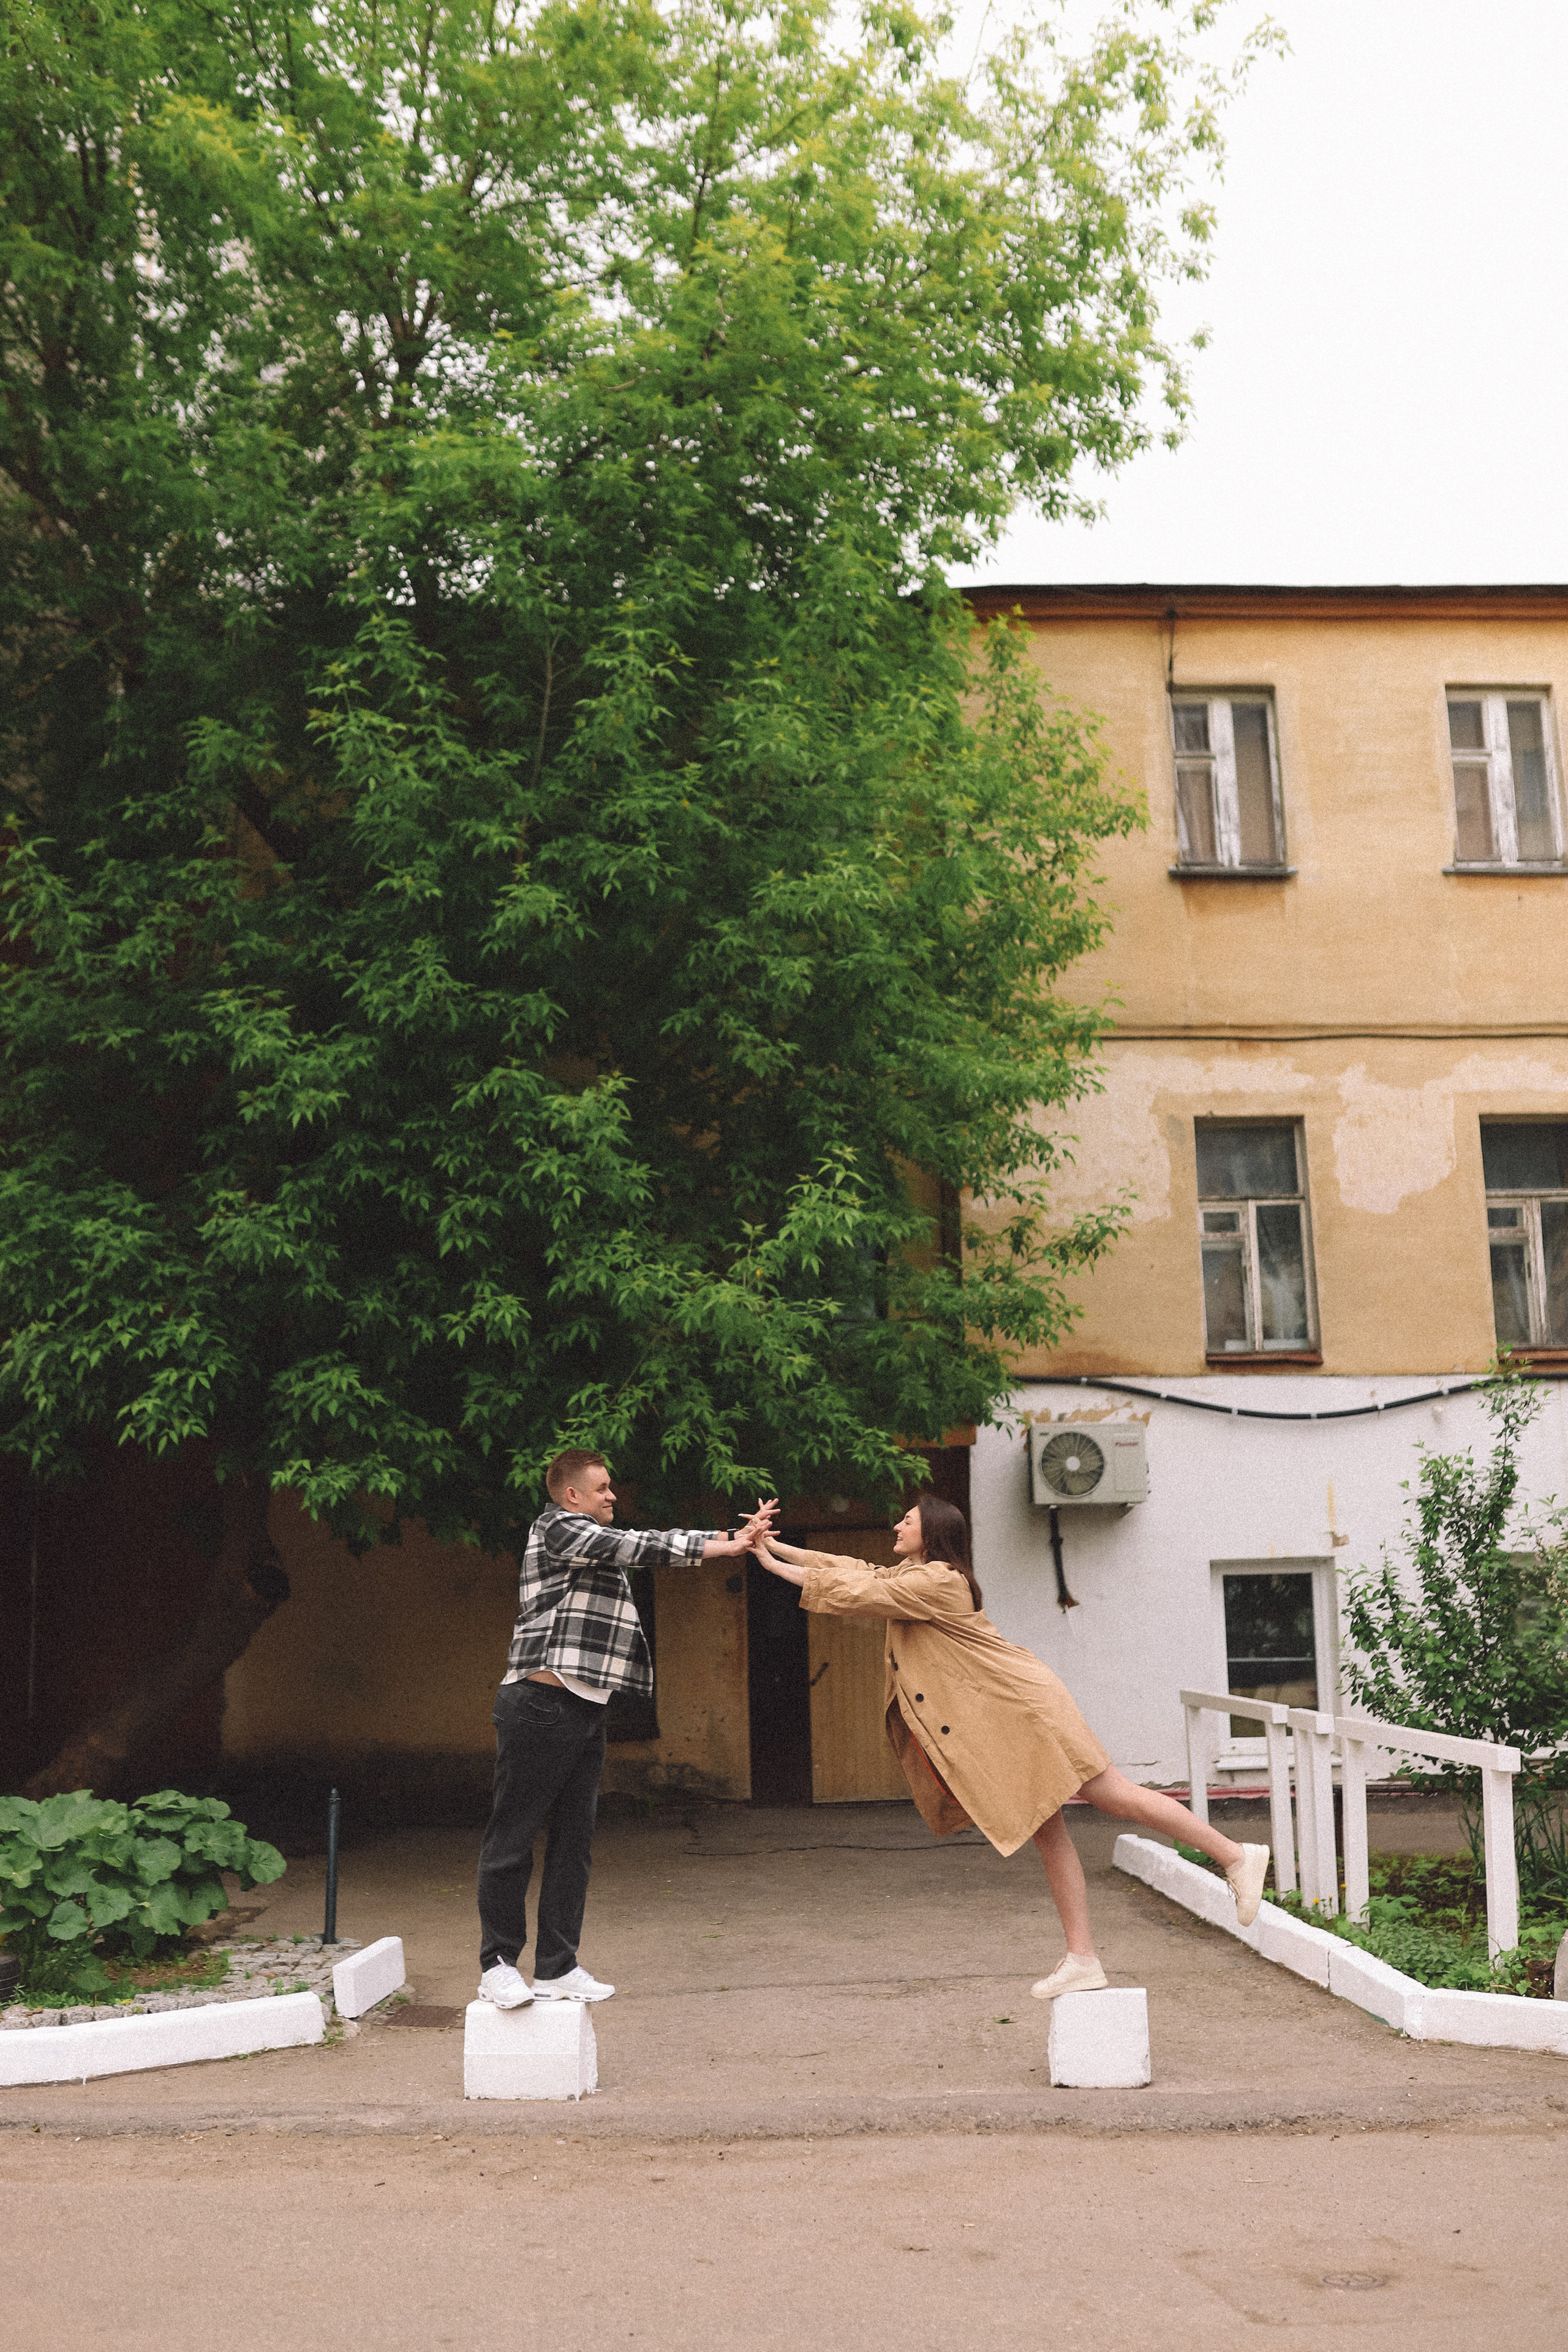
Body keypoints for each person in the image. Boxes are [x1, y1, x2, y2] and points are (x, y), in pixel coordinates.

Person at [750, 1493, 1267, 1999]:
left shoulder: (940, 1581)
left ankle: (1235, 1855)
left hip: (1026, 1707)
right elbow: (852, 1569)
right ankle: (1082, 1958)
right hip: (1006, 1714)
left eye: (906, 1521)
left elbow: (854, 1593)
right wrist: (774, 1547)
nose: (896, 1528)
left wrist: (768, 1564)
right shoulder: (913, 1577)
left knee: (1112, 1794)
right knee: (1049, 1832)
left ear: (931, 1533)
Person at [477, 1451, 776, 2008]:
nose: (612, 1496)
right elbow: (639, 1545)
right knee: (512, 1841)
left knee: (575, 1843)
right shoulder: (559, 1528)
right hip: (539, 1704)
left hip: (586, 1707)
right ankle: (497, 1964)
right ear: (573, 1496)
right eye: (603, 1488)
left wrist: (727, 1534)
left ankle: (556, 1968)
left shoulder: (588, 1538)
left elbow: (645, 1538)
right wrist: (725, 1547)